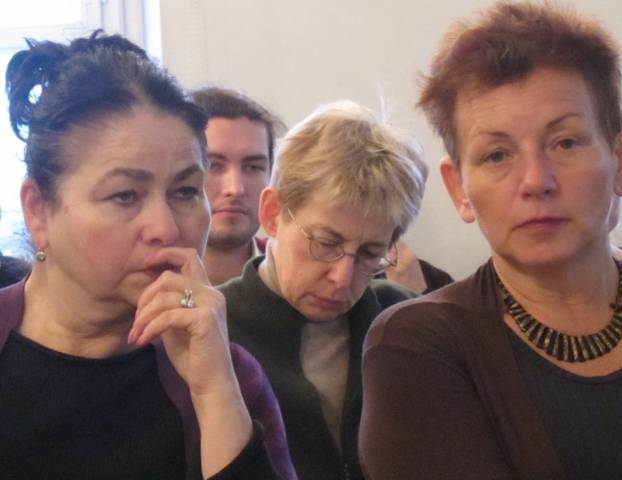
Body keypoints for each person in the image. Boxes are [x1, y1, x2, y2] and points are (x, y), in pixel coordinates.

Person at [359, 2, 622, 479]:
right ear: (459, 190)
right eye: (496, 155)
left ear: (620, 160)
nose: (536, 181)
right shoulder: (415, 347)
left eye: (565, 142)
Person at [0, 31, 295, 479]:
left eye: (185, 191)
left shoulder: (228, 374)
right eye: (124, 195)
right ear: (39, 210)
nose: (167, 228)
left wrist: (215, 394)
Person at [218, 100, 427, 480]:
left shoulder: (405, 321)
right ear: (272, 213)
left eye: (370, 253)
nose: (342, 278)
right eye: (326, 243)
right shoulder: (217, 328)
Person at [191, 86, 284, 285]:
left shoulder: (296, 283)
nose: (235, 189)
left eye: (252, 167)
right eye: (213, 165)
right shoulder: (138, 282)